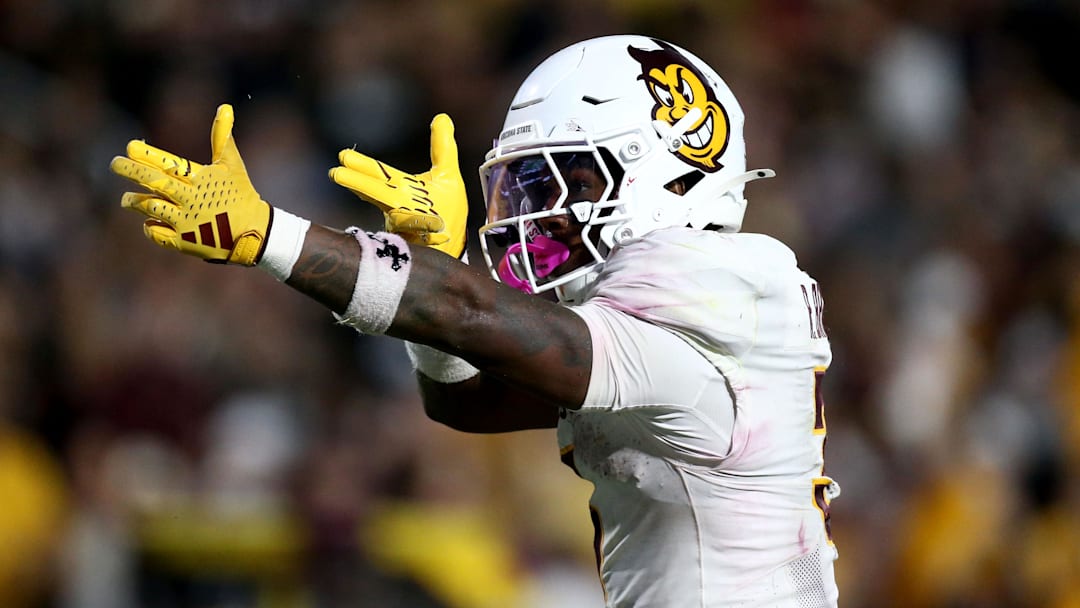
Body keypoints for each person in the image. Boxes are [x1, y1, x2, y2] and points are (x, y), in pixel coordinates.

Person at [110, 35, 840, 607]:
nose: (537, 211)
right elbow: (467, 401)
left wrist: (273, 237)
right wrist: (437, 264)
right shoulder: (666, 335)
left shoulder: (720, 285)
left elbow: (468, 313)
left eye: (571, 180)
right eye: (525, 183)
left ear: (672, 173)